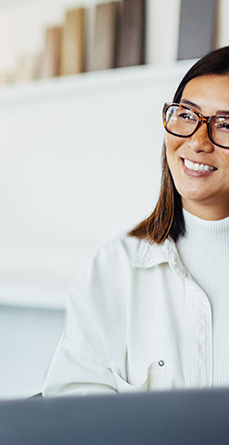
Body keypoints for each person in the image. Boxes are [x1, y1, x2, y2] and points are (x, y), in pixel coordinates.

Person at [44, 46, 229, 395]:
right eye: (186, 116)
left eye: (227, 124)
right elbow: (74, 412)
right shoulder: (113, 269)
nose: (198, 141)